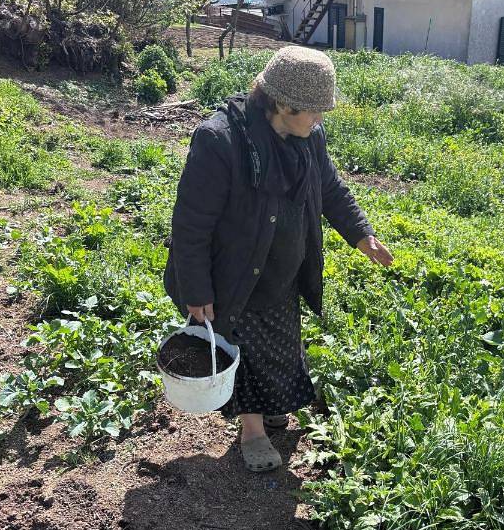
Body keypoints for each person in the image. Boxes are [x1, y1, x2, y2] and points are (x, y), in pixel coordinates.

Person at [163, 45, 393, 472]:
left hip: (284, 271)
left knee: (281, 345)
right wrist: (196, 289)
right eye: (314, 111)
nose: (320, 120)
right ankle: (252, 431)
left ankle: (272, 406)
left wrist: (362, 235)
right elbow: (191, 224)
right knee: (244, 350)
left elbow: (330, 189)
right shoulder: (221, 141)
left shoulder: (309, 138)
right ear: (283, 104)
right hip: (234, 276)